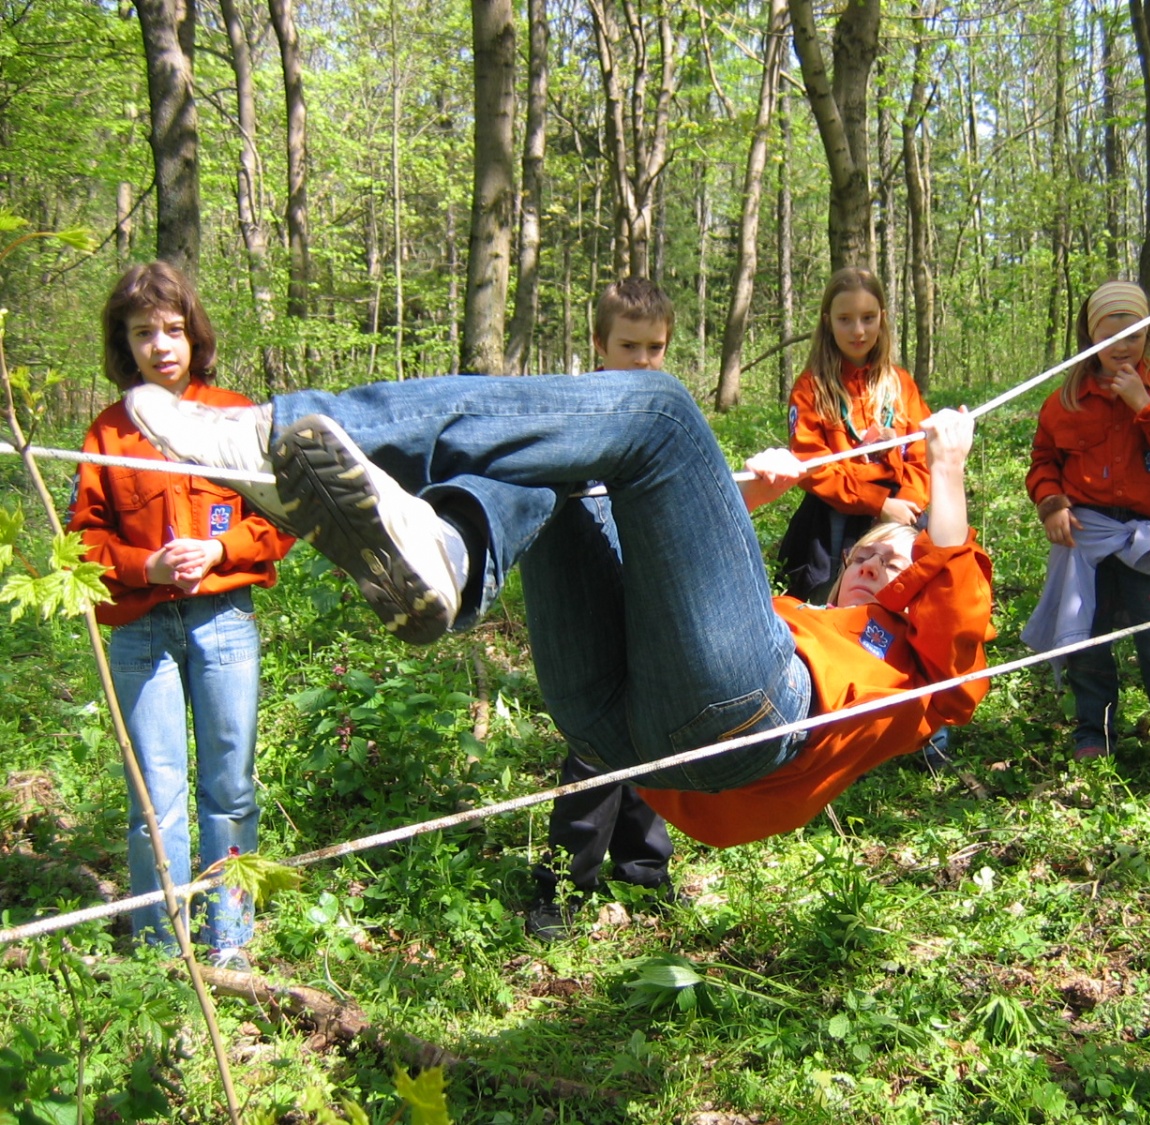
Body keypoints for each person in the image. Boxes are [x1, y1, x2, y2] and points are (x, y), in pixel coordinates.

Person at [123, 369, 994, 848]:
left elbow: (955, 603)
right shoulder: (797, 614)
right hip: (616, 734)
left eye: (898, 562)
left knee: (658, 411)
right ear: (835, 576)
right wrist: (747, 500)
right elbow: (666, 583)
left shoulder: (910, 675)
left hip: (748, 728)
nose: (881, 561)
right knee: (563, 459)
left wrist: (944, 468)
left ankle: (279, 428)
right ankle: (454, 558)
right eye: (867, 554)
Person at [67, 262, 295, 970]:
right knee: (153, 798)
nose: (161, 346)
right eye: (143, 333)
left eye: (173, 330)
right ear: (124, 344)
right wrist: (147, 566)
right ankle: (160, 950)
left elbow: (281, 518)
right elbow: (82, 542)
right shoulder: (107, 432)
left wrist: (220, 546)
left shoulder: (234, 414)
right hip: (140, 632)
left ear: (194, 335)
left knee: (230, 786)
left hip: (224, 621)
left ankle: (229, 942)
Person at [1021, 281, 1150, 782]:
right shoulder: (1064, 398)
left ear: (1148, 331)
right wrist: (1051, 504)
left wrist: (1143, 403)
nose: (1122, 342)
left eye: (1133, 330)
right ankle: (1094, 733)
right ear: (1091, 335)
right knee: (1087, 641)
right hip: (1086, 539)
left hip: (1147, 541)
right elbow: (1044, 461)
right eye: (1110, 330)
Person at [527, 279, 676, 940]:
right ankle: (563, 878)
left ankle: (644, 865)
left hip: (649, 583)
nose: (644, 360)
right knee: (595, 740)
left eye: (656, 347)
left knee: (653, 724)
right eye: (630, 346)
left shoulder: (667, 414)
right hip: (589, 583)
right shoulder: (576, 412)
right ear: (599, 344)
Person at [778, 268, 932, 602]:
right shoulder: (811, 389)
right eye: (845, 319)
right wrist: (877, 503)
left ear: (883, 318)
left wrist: (904, 503)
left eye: (868, 318)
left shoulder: (900, 384)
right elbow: (813, 466)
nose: (858, 330)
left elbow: (923, 453)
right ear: (827, 321)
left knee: (903, 598)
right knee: (835, 598)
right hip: (835, 516)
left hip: (900, 513)